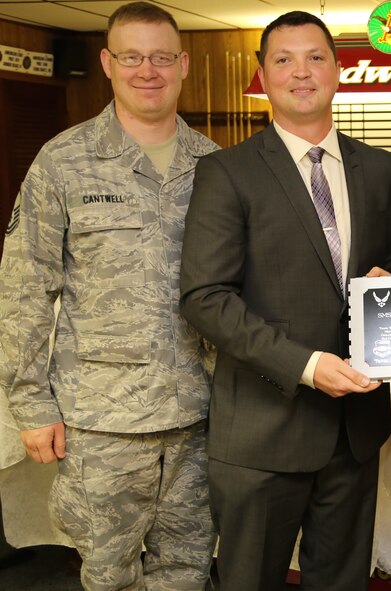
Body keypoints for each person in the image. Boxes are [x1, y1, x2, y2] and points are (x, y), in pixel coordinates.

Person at [179, 10, 391, 591]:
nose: (301, 72)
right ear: (263, 75)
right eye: (283, 60)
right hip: (264, 432)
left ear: (339, 70)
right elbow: (205, 297)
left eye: (315, 57)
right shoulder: (226, 172)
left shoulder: (378, 168)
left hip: (355, 432)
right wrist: (307, 367)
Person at [0, 2, 218, 589]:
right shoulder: (63, 162)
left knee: (188, 570)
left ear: (184, 64)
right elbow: (24, 288)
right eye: (132, 56)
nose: (148, 70)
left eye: (162, 57)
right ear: (107, 63)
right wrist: (32, 405)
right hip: (102, 421)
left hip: (200, 416)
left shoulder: (217, 167)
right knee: (108, 573)